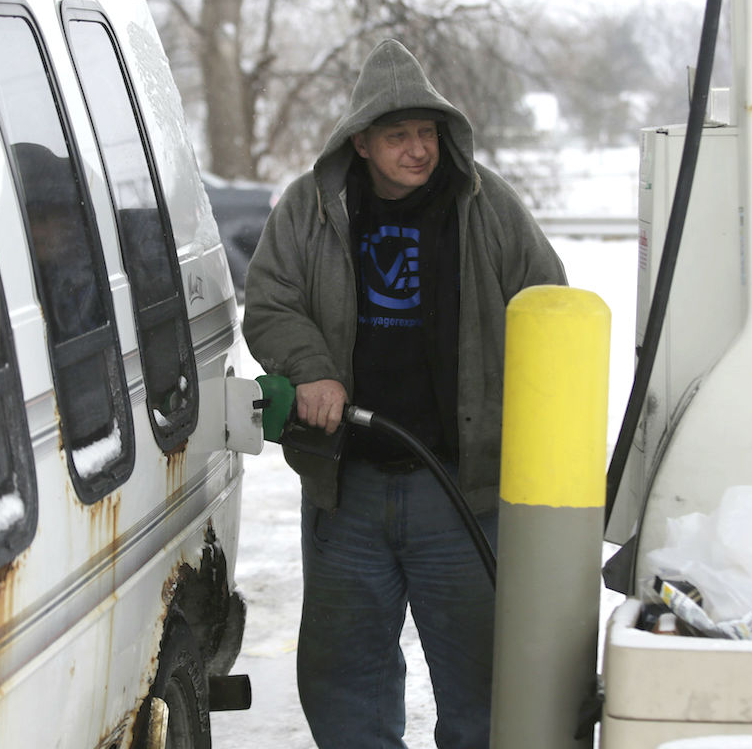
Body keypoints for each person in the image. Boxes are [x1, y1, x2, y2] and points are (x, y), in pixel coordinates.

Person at [242, 38, 566, 748]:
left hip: (459, 489)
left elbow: (549, 307)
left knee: (481, 681)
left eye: (427, 134)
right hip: (346, 486)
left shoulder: (487, 207)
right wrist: (312, 368)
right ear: (361, 142)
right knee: (343, 679)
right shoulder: (312, 208)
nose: (418, 150)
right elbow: (269, 302)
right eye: (399, 136)